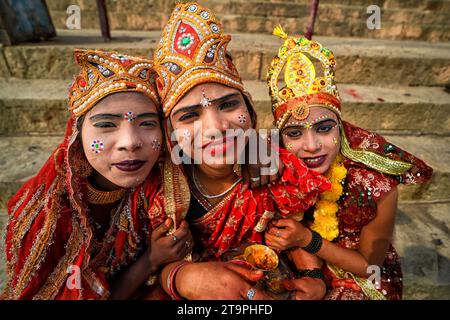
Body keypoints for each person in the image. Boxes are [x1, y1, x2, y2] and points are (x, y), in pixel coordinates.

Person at [150, 2, 332, 300]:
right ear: (169, 133)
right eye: (188, 116)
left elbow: (292, 229)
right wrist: (184, 277)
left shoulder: (276, 166)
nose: (216, 127)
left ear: (250, 111)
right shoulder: (157, 187)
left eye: (228, 105)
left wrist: (313, 277)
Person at [2, 49, 192, 300]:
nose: (130, 143)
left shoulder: (162, 179)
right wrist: (150, 261)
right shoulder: (45, 214)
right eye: (106, 125)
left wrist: (253, 158)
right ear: (77, 136)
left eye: (147, 123)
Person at [263, 27, 433, 300]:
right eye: (295, 133)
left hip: (357, 273)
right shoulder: (275, 164)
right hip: (299, 259)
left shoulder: (375, 183)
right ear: (281, 138)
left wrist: (307, 239)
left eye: (324, 129)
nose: (311, 145)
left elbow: (369, 266)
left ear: (341, 129)